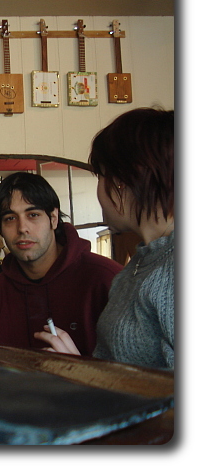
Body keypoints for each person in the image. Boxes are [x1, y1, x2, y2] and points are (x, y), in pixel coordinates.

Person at [35, 107, 174, 370]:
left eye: (100, 176)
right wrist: (80, 366)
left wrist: (86, 375)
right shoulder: (140, 264)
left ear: (122, 180)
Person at [0, 172, 123, 356]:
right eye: (10, 219)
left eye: (33, 215)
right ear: (0, 229)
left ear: (53, 219)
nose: (22, 228)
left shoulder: (107, 280)